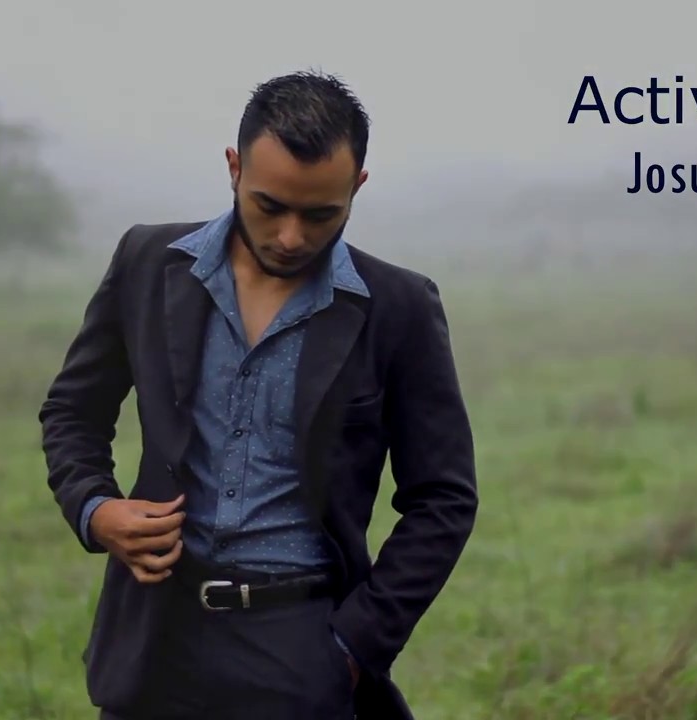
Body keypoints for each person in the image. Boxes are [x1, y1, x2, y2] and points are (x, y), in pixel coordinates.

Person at [38, 70, 478, 720]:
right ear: (234, 168)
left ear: (357, 187)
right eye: (269, 206)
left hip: (302, 647)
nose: (291, 236)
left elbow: (443, 497)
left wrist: (355, 644)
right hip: (154, 640)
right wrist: (94, 508)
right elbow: (74, 410)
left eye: (320, 214)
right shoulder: (146, 261)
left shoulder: (399, 307)